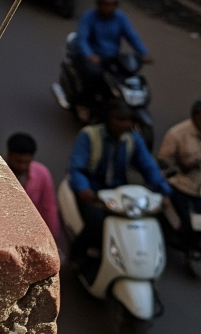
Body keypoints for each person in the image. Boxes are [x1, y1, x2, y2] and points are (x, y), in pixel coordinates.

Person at [67, 102, 172, 267]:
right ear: (108, 119)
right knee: (97, 222)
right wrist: (83, 189)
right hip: (93, 191)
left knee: (146, 219)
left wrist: (163, 192)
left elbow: (148, 166)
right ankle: (76, 255)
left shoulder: (133, 139)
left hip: (119, 191)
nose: (126, 124)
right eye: (120, 119)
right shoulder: (89, 136)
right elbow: (77, 168)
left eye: (129, 120)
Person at [157, 100, 201, 250]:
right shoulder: (176, 134)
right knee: (182, 218)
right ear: (194, 118)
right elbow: (163, 161)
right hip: (183, 183)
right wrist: (182, 166)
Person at [74, 0, 152, 120]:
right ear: (98, 4)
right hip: (91, 57)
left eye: (112, 4)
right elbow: (82, 39)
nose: (109, 8)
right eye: (105, 4)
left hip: (112, 57)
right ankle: (83, 104)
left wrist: (143, 53)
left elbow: (131, 35)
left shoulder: (120, 18)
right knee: (94, 75)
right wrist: (89, 55)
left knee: (127, 74)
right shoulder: (89, 17)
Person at [6, 132, 62, 244]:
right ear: (9, 155)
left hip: (31, 229)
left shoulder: (42, 173)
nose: (22, 166)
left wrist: (52, 237)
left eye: (26, 162)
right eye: (18, 161)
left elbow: (49, 206)